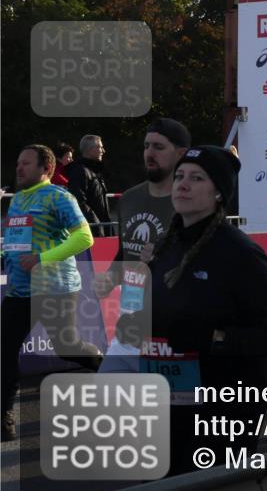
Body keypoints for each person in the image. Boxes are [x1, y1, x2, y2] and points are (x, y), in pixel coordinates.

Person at [141, 145, 267, 474]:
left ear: (218, 194)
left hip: (227, 405)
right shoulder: (164, 246)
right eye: (180, 176)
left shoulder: (240, 253)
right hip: (169, 400)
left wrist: (212, 338)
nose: (182, 185)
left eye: (197, 178)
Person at [2, 145, 103, 441]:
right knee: (4, 350)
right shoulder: (18, 199)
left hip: (55, 288)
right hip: (20, 291)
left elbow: (84, 237)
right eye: (18, 162)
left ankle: (111, 368)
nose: (19, 168)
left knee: (67, 347)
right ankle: (4, 418)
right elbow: (18, 242)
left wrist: (43, 259)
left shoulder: (59, 197)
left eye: (26, 163)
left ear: (45, 169)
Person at [93, 118, 191, 369]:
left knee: (169, 407)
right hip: (130, 319)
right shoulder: (129, 198)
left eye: (158, 147)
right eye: (146, 146)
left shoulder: (191, 203)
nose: (149, 153)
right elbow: (126, 253)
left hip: (170, 325)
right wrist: (111, 277)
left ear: (181, 154)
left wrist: (162, 258)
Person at [65, 134, 111, 236]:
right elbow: (79, 201)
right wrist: (96, 226)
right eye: (100, 147)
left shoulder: (94, 172)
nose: (103, 151)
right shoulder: (80, 171)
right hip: (92, 232)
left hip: (102, 229)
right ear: (89, 150)